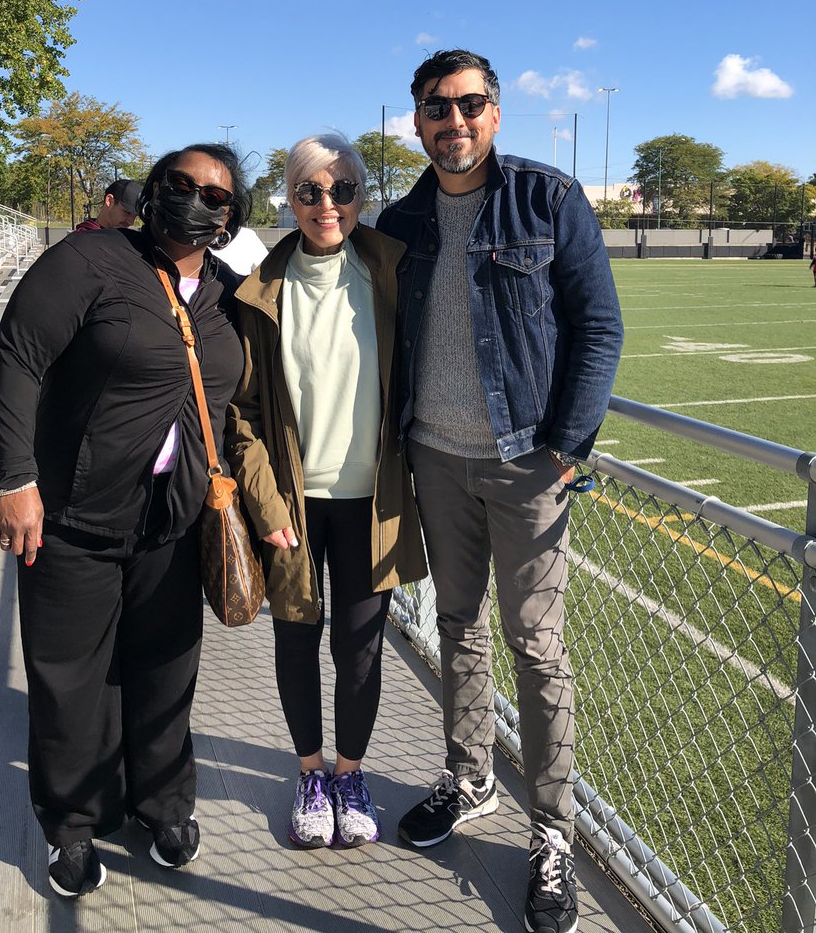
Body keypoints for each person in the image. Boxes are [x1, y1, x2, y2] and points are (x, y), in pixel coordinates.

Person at [376, 49, 623, 933]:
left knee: (537, 645)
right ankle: (470, 775)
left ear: (496, 110)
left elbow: (599, 325)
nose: (455, 121)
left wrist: (564, 448)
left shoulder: (548, 199)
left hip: (527, 464)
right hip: (434, 458)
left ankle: (551, 833)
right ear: (417, 121)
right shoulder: (400, 219)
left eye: (470, 104)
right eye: (438, 108)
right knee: (457, 627)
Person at [0, 144, 250, 898]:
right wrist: (15, 479)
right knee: (72, 679)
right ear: (152, 189)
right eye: (183, 185)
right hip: (72, 516)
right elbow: (19, 358)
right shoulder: (90, 261)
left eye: (217, 196)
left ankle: (163, 803)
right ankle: (72, 823)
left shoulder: (226, 295)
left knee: (166, 671)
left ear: (233, 214)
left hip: (172, 522)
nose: (199, 202)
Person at [225, 133, 427, 851]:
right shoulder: (260, 289)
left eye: (342, 189)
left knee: (362, 649)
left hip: (375, 501)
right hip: (292, 505)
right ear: (290, 197)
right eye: (310, 190)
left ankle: (350, 774)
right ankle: (310, 773)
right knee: (296, 639)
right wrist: (268, 505)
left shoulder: (394, 271)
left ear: (361, 197)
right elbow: (242, 413)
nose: (326, 204)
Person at [74, 177, 142, 231]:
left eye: (135, 216)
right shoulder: (79, 241)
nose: (131, 222)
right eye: (127, 212)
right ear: (109, 201)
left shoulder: (129, 241)